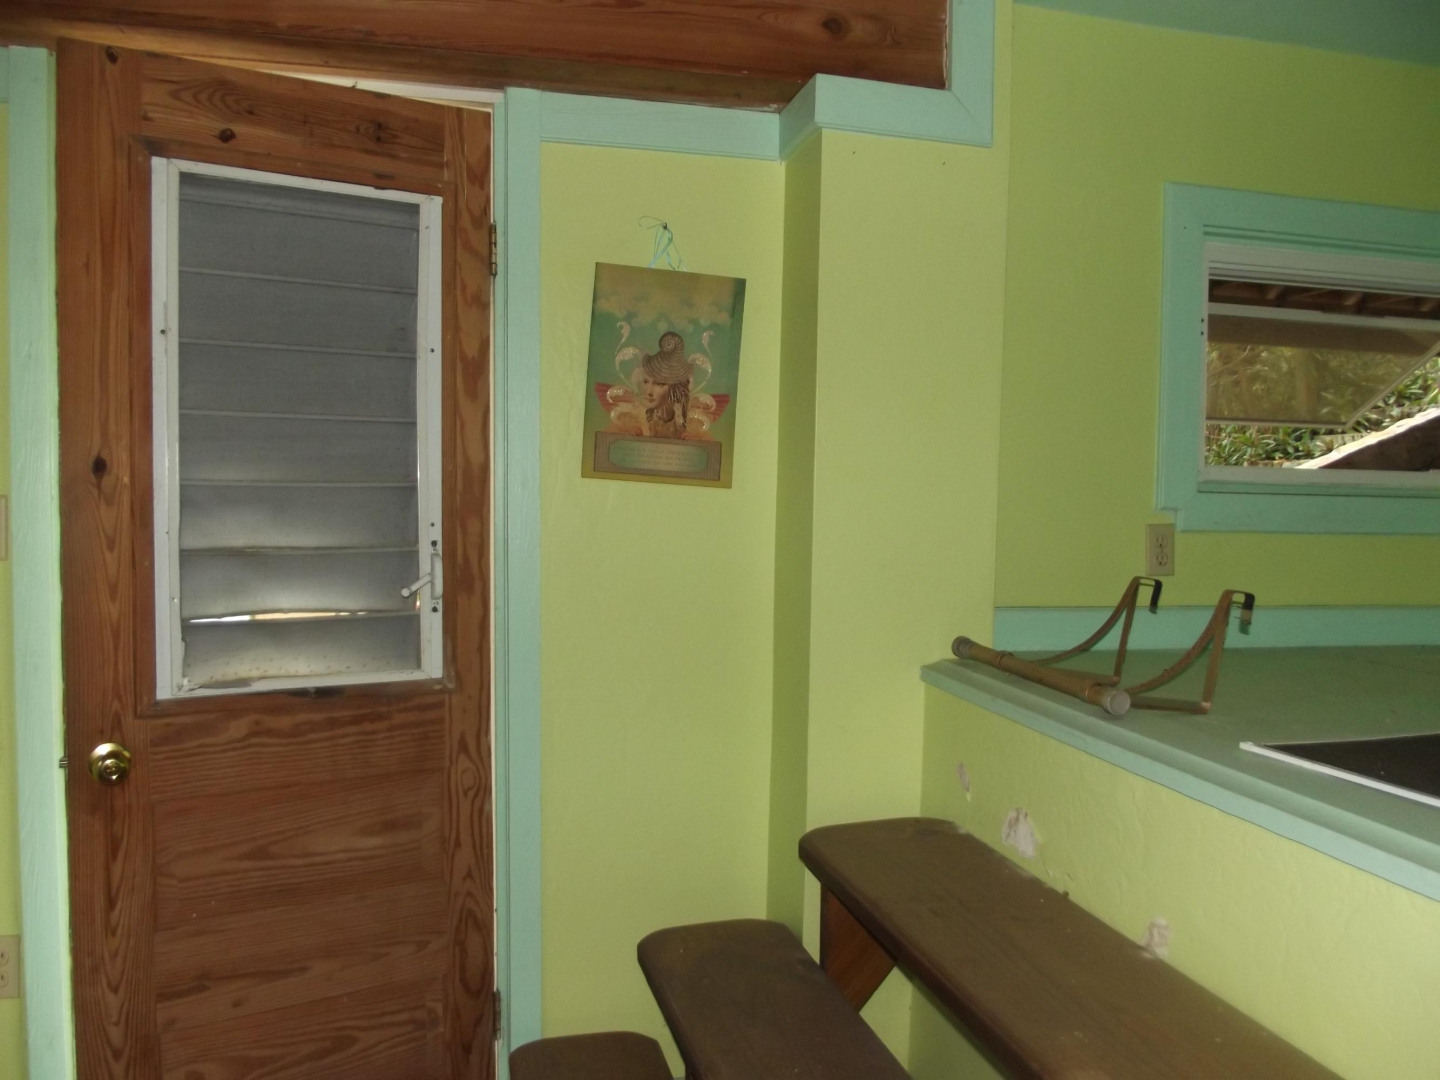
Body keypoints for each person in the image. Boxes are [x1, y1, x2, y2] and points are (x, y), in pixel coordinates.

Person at [637, 331, 692, 438]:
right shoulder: (639, 418)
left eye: (659, 384)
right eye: (646, 382)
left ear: (673, 388)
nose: (649, 392)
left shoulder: (683, 421)